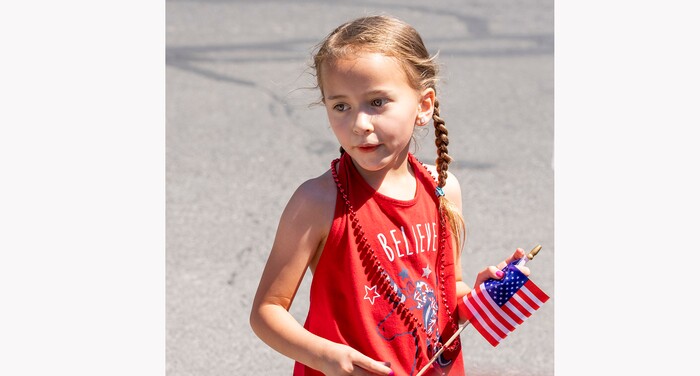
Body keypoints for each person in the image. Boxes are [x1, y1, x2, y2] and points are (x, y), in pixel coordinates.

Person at [249, 15, 531, 376]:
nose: (359, 124)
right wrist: (325, 356)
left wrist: (478, 296)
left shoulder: (443, 190)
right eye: (341, 106)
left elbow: (445, 293)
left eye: (377, 102)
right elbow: (267, 311)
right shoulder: (317, 202)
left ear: (424, 106)